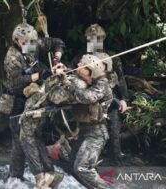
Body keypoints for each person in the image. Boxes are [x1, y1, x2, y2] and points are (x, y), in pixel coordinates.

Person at [20, 54, 113, 189]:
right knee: (72, 167)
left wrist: (67, 82)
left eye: (81, 65)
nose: (78, 65)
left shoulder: (102, 84)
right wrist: (63, 70)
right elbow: (75, 78)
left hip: (96, 133)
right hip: (84, 131)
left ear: (88, 71)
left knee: (82, 168)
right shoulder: (88, 79)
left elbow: (87, 97)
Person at [3, 22, 65, 182]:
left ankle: (45, 172)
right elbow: (15, 83)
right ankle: (16, 177)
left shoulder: (34, 43)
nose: (31, 45)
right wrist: (41, 75)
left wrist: (57, 59)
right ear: (17, 40)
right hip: (17, 99)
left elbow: (57, 42)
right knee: (20, 137)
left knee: (35, 134)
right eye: (26, 42)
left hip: (35, 97)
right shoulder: (12, 57)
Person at [85, 24, 128, 164]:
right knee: (92, 136)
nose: (94, 42)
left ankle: (117, 168)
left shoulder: (112, 57)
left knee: (114, 134)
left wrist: (123, 99)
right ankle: (91, 169)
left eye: (97, 38)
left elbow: (120, 79)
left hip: (112, 99)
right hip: (92, 101)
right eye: (91, 39)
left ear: (102, 39)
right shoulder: (82, 58)